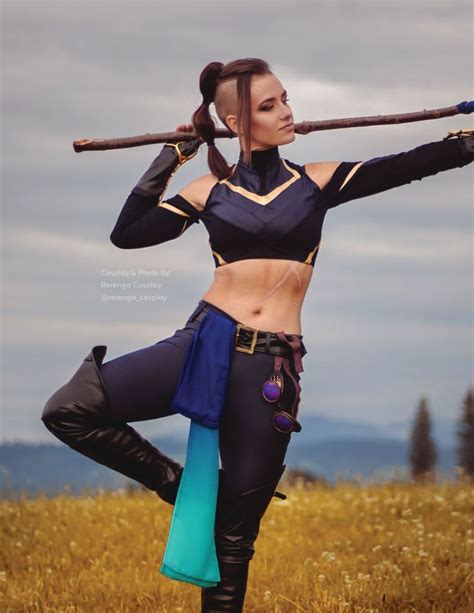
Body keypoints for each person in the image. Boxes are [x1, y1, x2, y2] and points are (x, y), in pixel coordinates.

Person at [41, 58, 473, 611]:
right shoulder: (208, 190)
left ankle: (215, 511)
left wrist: (466, 143)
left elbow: (410, 164)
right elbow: (127, 234)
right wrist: (173, 154)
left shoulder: (318, 181)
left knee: (234, 544)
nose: (287, 112)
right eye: (269, 106)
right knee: (69, 408)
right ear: (236, 123)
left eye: (286, 99)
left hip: (271, 369)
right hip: (204, 343)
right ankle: (182, 486)